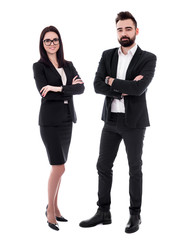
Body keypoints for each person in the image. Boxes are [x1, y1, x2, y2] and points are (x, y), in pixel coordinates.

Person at [79, 11, 156, 233]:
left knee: (134, 168)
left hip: (134, 122)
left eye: (128, 29)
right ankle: (103, 212)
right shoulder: (107, 55)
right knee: (103, 165)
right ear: (117, 32)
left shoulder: (148, 58)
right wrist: (124, 87)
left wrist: (112, 81)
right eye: (120, 29)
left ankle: (135, 215)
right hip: (110, 120)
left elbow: (139, 88)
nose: (124, 33)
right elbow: (96, 85)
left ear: (136, 31)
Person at [33, 26, 84, 231]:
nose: (51, 43)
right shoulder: (39, 67)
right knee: (59, 167)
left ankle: (54, 206)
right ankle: (50, 212)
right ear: (42, 44)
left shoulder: (68, 65)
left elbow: (80, 88)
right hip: (50, 123)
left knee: (60, 166)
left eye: (55, 40)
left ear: (59, 42)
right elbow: (44, 93)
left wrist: (58, 88)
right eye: (47, 41)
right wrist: (63, 90)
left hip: (67, 121)